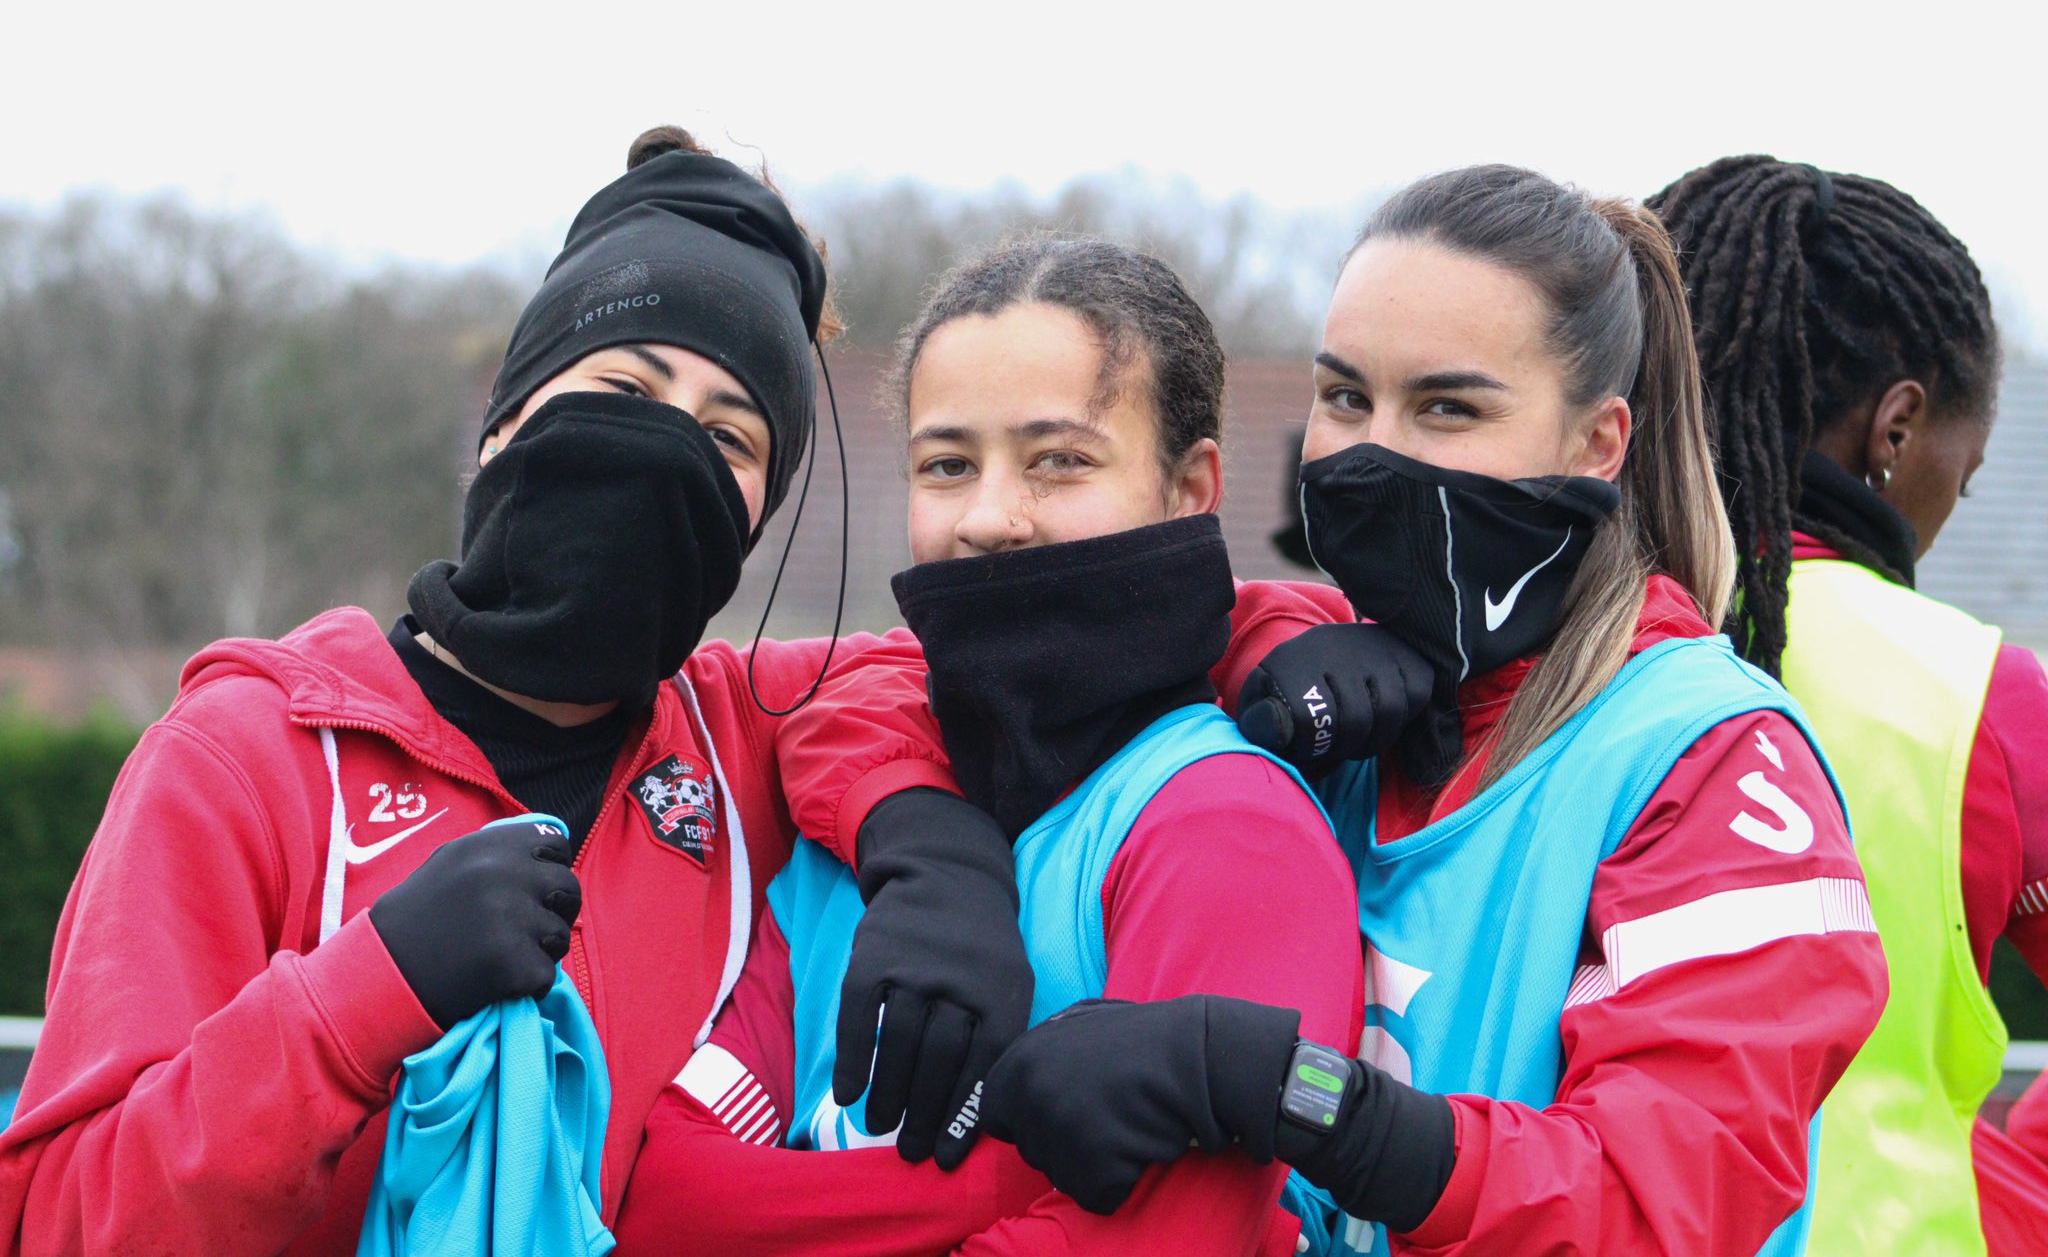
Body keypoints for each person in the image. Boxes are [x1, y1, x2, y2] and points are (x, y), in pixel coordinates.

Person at [0, 126, 1030, 1255]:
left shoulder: (739, 738)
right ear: (504, 423)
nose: (662, 445)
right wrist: (362, 995)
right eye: (625, 384)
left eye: (727, 436)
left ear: (754, 526)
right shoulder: (243, 757)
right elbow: (60, 1219)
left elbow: (994, 645)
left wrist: (936, 851)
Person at [978, 166, 1889, 1255]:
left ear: (1596, 442)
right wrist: (920, 853)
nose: (1374, 451)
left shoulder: (1711, 758)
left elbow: (1660, 1198)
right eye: (1345, 396)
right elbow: (908, 666)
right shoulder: (1313, 682)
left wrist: (1284, 1087)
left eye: (1446, 406)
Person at [615, 236, 1368, 1255]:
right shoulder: (858, 842)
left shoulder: (1223, 825)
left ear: (1191, 489)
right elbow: (666, 1200)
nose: (987, 518)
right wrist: (1027, 1165)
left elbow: (1175, 1235)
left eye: (1058, 460)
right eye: (947, 464)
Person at [1650, 155, 2048, 1257]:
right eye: (1955, 485)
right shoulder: (1978, 697)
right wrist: (2009, 1200)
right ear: (1895, 431)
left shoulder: (1533, 641)